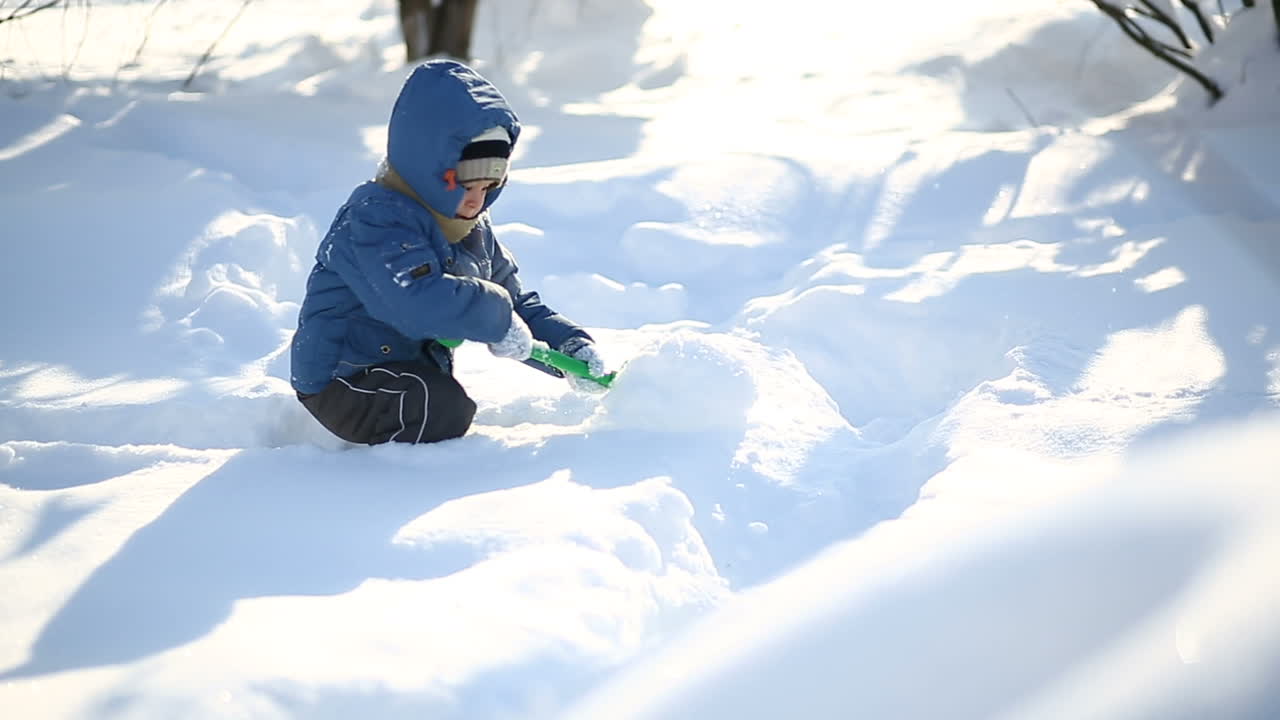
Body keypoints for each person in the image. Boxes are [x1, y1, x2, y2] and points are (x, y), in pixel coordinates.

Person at [289, 59, 607, 446]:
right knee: (440, 410)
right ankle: (370, 490)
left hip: (406, 370)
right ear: (426, 166)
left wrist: (568, 347)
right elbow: (416, 301)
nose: (476, 201)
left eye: (490, 186)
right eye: (466, 185)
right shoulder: (375, 221)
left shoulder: (471, 228)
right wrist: (494, 317)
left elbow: (514, 300)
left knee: (437, 403)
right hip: (345, 376)